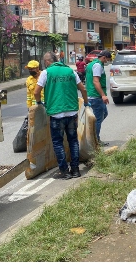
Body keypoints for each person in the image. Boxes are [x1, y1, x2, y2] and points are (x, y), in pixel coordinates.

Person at [34, 51, 90, 180]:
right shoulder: (70, 71)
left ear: (48, 61)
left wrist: (39, 103)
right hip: (71, 112)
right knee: (73, 141)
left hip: (56, 113)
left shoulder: (46, 73)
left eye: (44, 61)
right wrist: (86, 103)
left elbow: (37, 92)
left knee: (58, 142)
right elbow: (83, 89)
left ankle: (64, 171)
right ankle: (75, 170)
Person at [85, 50, 111, 145]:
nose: (107, 62)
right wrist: (103, 95)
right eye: (107, 59)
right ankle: (95, 140)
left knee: (104, 114)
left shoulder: (92, 64)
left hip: (93, 94)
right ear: (104, 57)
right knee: (98, 119)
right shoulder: (98, 66)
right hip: (96, 96)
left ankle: (93, 134)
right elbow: (96, 81)